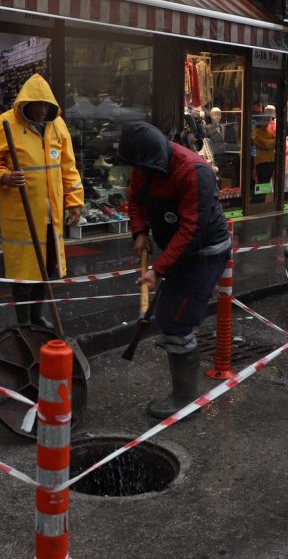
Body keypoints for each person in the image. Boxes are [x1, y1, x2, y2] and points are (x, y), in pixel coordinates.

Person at [118, 121, 231, 419]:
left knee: (176, 320)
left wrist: (158, 269)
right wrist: (140, 232)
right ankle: (182, 394)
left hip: (204, 251)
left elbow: (191, 230)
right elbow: (136, 200)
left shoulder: (195, 171)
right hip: (175, 249)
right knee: (170, 317)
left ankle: (184, 400)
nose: (139, 173)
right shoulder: (143, 164)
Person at [0, 74, 83, 326]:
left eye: (47, 105)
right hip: (22, 215)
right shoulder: (3, 125)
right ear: (25, 104)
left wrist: (74, 201)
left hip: (50, 215)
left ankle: (37, 316)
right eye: (38, 104)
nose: (43, 109)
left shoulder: (58, 126)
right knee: (24, 271)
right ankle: (24, 321)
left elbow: (68, 167)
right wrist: (5, 177)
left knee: (47, 267)